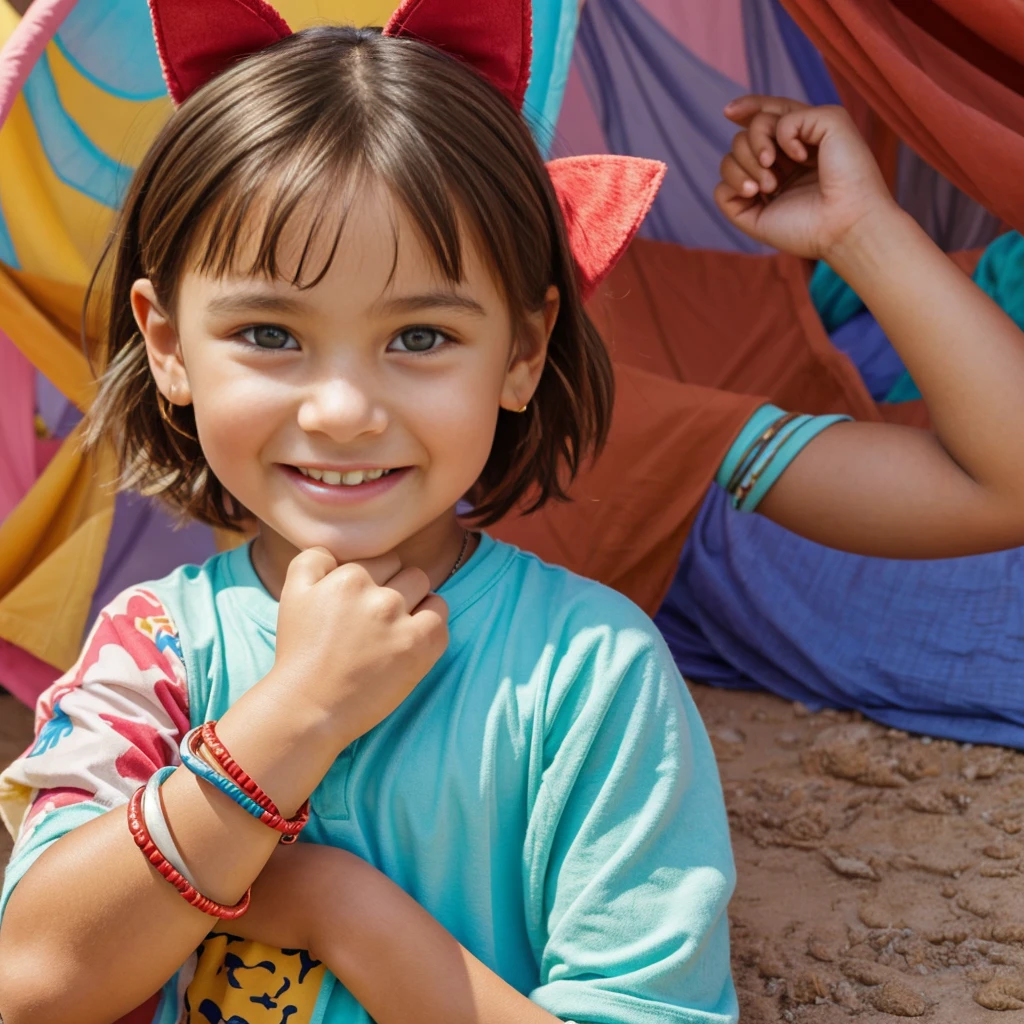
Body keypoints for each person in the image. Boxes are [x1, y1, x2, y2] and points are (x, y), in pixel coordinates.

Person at [2, 1, 1024, 1023]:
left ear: (528, 347)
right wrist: (284, 721)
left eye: (419, 338)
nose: (346, 412)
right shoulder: (156, 649)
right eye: (269, 331)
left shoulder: (592, 671)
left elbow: (999, 480)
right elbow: (32, 985)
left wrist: (345, 910)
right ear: (169, 344)